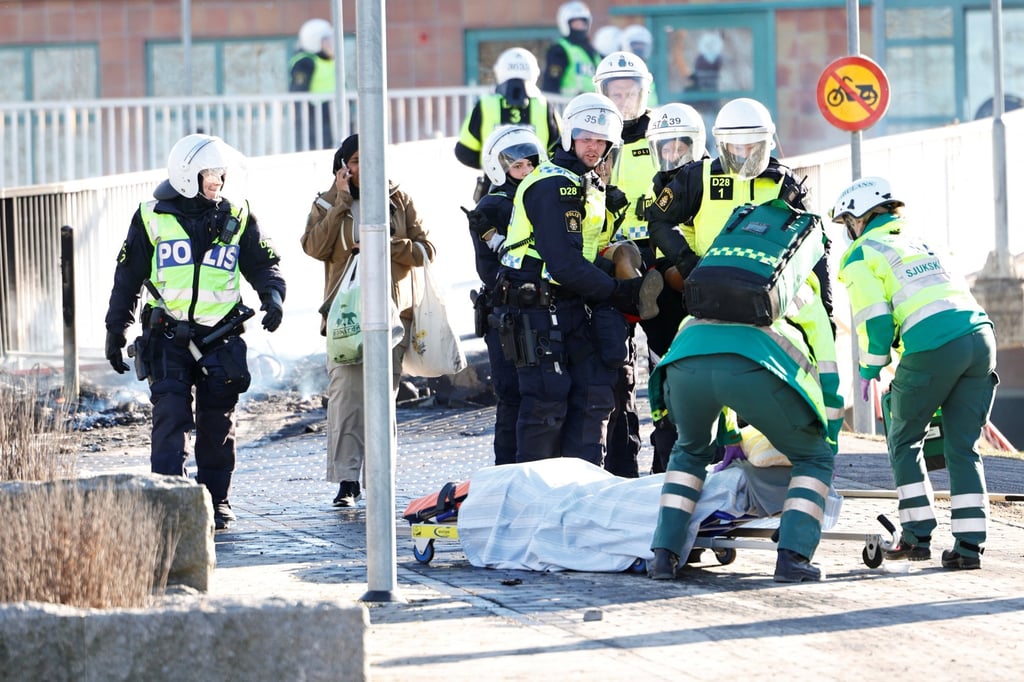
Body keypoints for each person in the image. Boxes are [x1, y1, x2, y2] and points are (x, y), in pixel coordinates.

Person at [103, 133, 286, 531]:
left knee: (217, 421)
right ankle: (169, 501)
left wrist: (273, 296)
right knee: (170, 415)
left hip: (221, 336)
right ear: (188, 175)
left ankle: (215, 501)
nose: (218, 181)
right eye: (211, 173)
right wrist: (115, 329)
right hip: (167, 337)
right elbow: (128, 277)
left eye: (222, 173)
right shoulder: (151, 216)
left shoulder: (237, 216)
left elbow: (262, 263)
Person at [646, 218, 843, 582]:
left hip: (683, 363)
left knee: (689, 452)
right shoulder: (804, 289)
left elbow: (711, 369)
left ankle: (664, 555)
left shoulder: (721, 280)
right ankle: (793, 558)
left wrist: (731, 434)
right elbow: (827, 369)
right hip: (755, 367)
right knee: (813, 458)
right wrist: (828, 435)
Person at [832, 176, 998, 570]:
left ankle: (915, 536)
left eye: (847, 222)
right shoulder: (922, 240)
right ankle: (969, 547)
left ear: (859, 218)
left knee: (905, 441)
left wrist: (870, 367)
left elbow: (875, 323)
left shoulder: (861, 253)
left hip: (932, 346)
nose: (848, 231)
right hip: (980, 338)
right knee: (963, 446)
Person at [494, 92, 664, 466]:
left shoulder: (588, 184)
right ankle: (532, 500)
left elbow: (588, 252)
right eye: (587, 137)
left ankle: (584, 492)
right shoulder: (551, 184)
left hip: (572, 304)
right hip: (536, 307)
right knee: (546, 405)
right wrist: (621, 292)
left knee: (595, 397)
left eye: (601, 141)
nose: (594, 146)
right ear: (570, 135)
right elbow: (564, 263)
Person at [301, 134, 435, 508]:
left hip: (392, 314)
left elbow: (427, 251)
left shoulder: (399, 200)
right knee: (345, 398)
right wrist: (342, 202)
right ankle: (346, 481)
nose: (365, 168)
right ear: (343, 165)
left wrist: (388, 245)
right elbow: (314, 247)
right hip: (345, 314)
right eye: (357, 160)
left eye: (371, 159)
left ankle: (380, 478)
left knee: (382, 399)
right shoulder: (326, 202)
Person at [645, 97, 835, 330]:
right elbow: (658, 219)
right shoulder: (698, 176)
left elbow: (818, 246)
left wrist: (827, 313)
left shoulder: (786, 183)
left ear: (767, 143)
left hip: (770, 297)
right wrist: (690, 265)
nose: (744, 154)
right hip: (710, 292)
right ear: (723, 145)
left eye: (752, 146)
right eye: (737, 146)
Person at [462, 125, 547, 465]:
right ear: (500, 168)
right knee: (512, 397)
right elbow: (488, 270)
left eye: (530, 164)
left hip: (540, 309)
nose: (525, 171)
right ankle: (505, 473)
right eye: (517, 166)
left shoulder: (544, 195)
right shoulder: (492, 206)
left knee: (541, 396)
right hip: (507, 316)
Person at [590, 50, 658, 478]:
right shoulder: (595, 144)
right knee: (618, 371)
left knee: (667, 363)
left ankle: (672, 465)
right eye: (615, 95)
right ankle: (622, 466)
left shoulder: (662, 136)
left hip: (658, 258)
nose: (623, 102)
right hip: (611, 260)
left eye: (630, 94)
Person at [641, 102, 708, 474]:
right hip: (672, 294)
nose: (672, 155)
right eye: (665, 148)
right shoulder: (659, 186)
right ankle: (663, 464)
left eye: (679, 147)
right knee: (664, 383)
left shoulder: (710, 179)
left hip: (704, 285)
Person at [454, 47, 561, 201]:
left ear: (500, 72)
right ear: (534, 73)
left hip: (493, 193)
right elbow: (560, 150)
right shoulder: (544, 106)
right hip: (539, 191)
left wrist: (497, 166)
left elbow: (464, 152)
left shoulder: (485, 105)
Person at [289, 18, 335, 150]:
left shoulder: (330, 60)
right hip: (316, 119)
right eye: (327, 40)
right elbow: (298, 93)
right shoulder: (305, 62)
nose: (332, 43)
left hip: (332, 115)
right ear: (315, 42)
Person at [541, 1, 601, 96]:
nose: (580, 27)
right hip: (568, 106)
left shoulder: (594, 53)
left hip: (594, 106)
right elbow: (551, 84)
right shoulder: (559, 50)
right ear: (566, 25)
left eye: (583, 24)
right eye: (576, 24)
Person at [618, 24, 659, 105]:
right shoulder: (619, 71)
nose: (639, 49)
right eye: (635, 45)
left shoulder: (646, 70)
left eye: (642, 46)